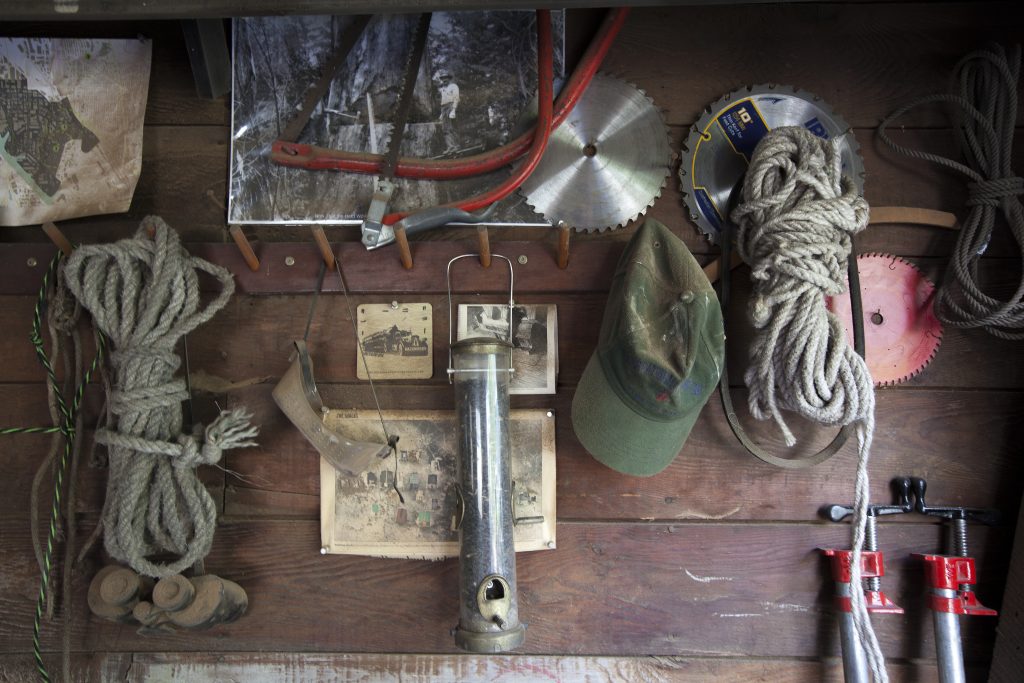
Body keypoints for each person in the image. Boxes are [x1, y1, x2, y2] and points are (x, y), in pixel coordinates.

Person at [436, 70, 460, 154]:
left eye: (445, 78)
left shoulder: (453, 86)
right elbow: (443, 101)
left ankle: (456, 146)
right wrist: (441, 114)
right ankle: (450, 147)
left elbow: (456, 98)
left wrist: (453, 110)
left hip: (451, 106)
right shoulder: (442, 88)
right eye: (442, 78)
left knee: (452, 127)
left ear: (449, 78)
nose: (444, 80)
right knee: (445, 128)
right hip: (444, 108)